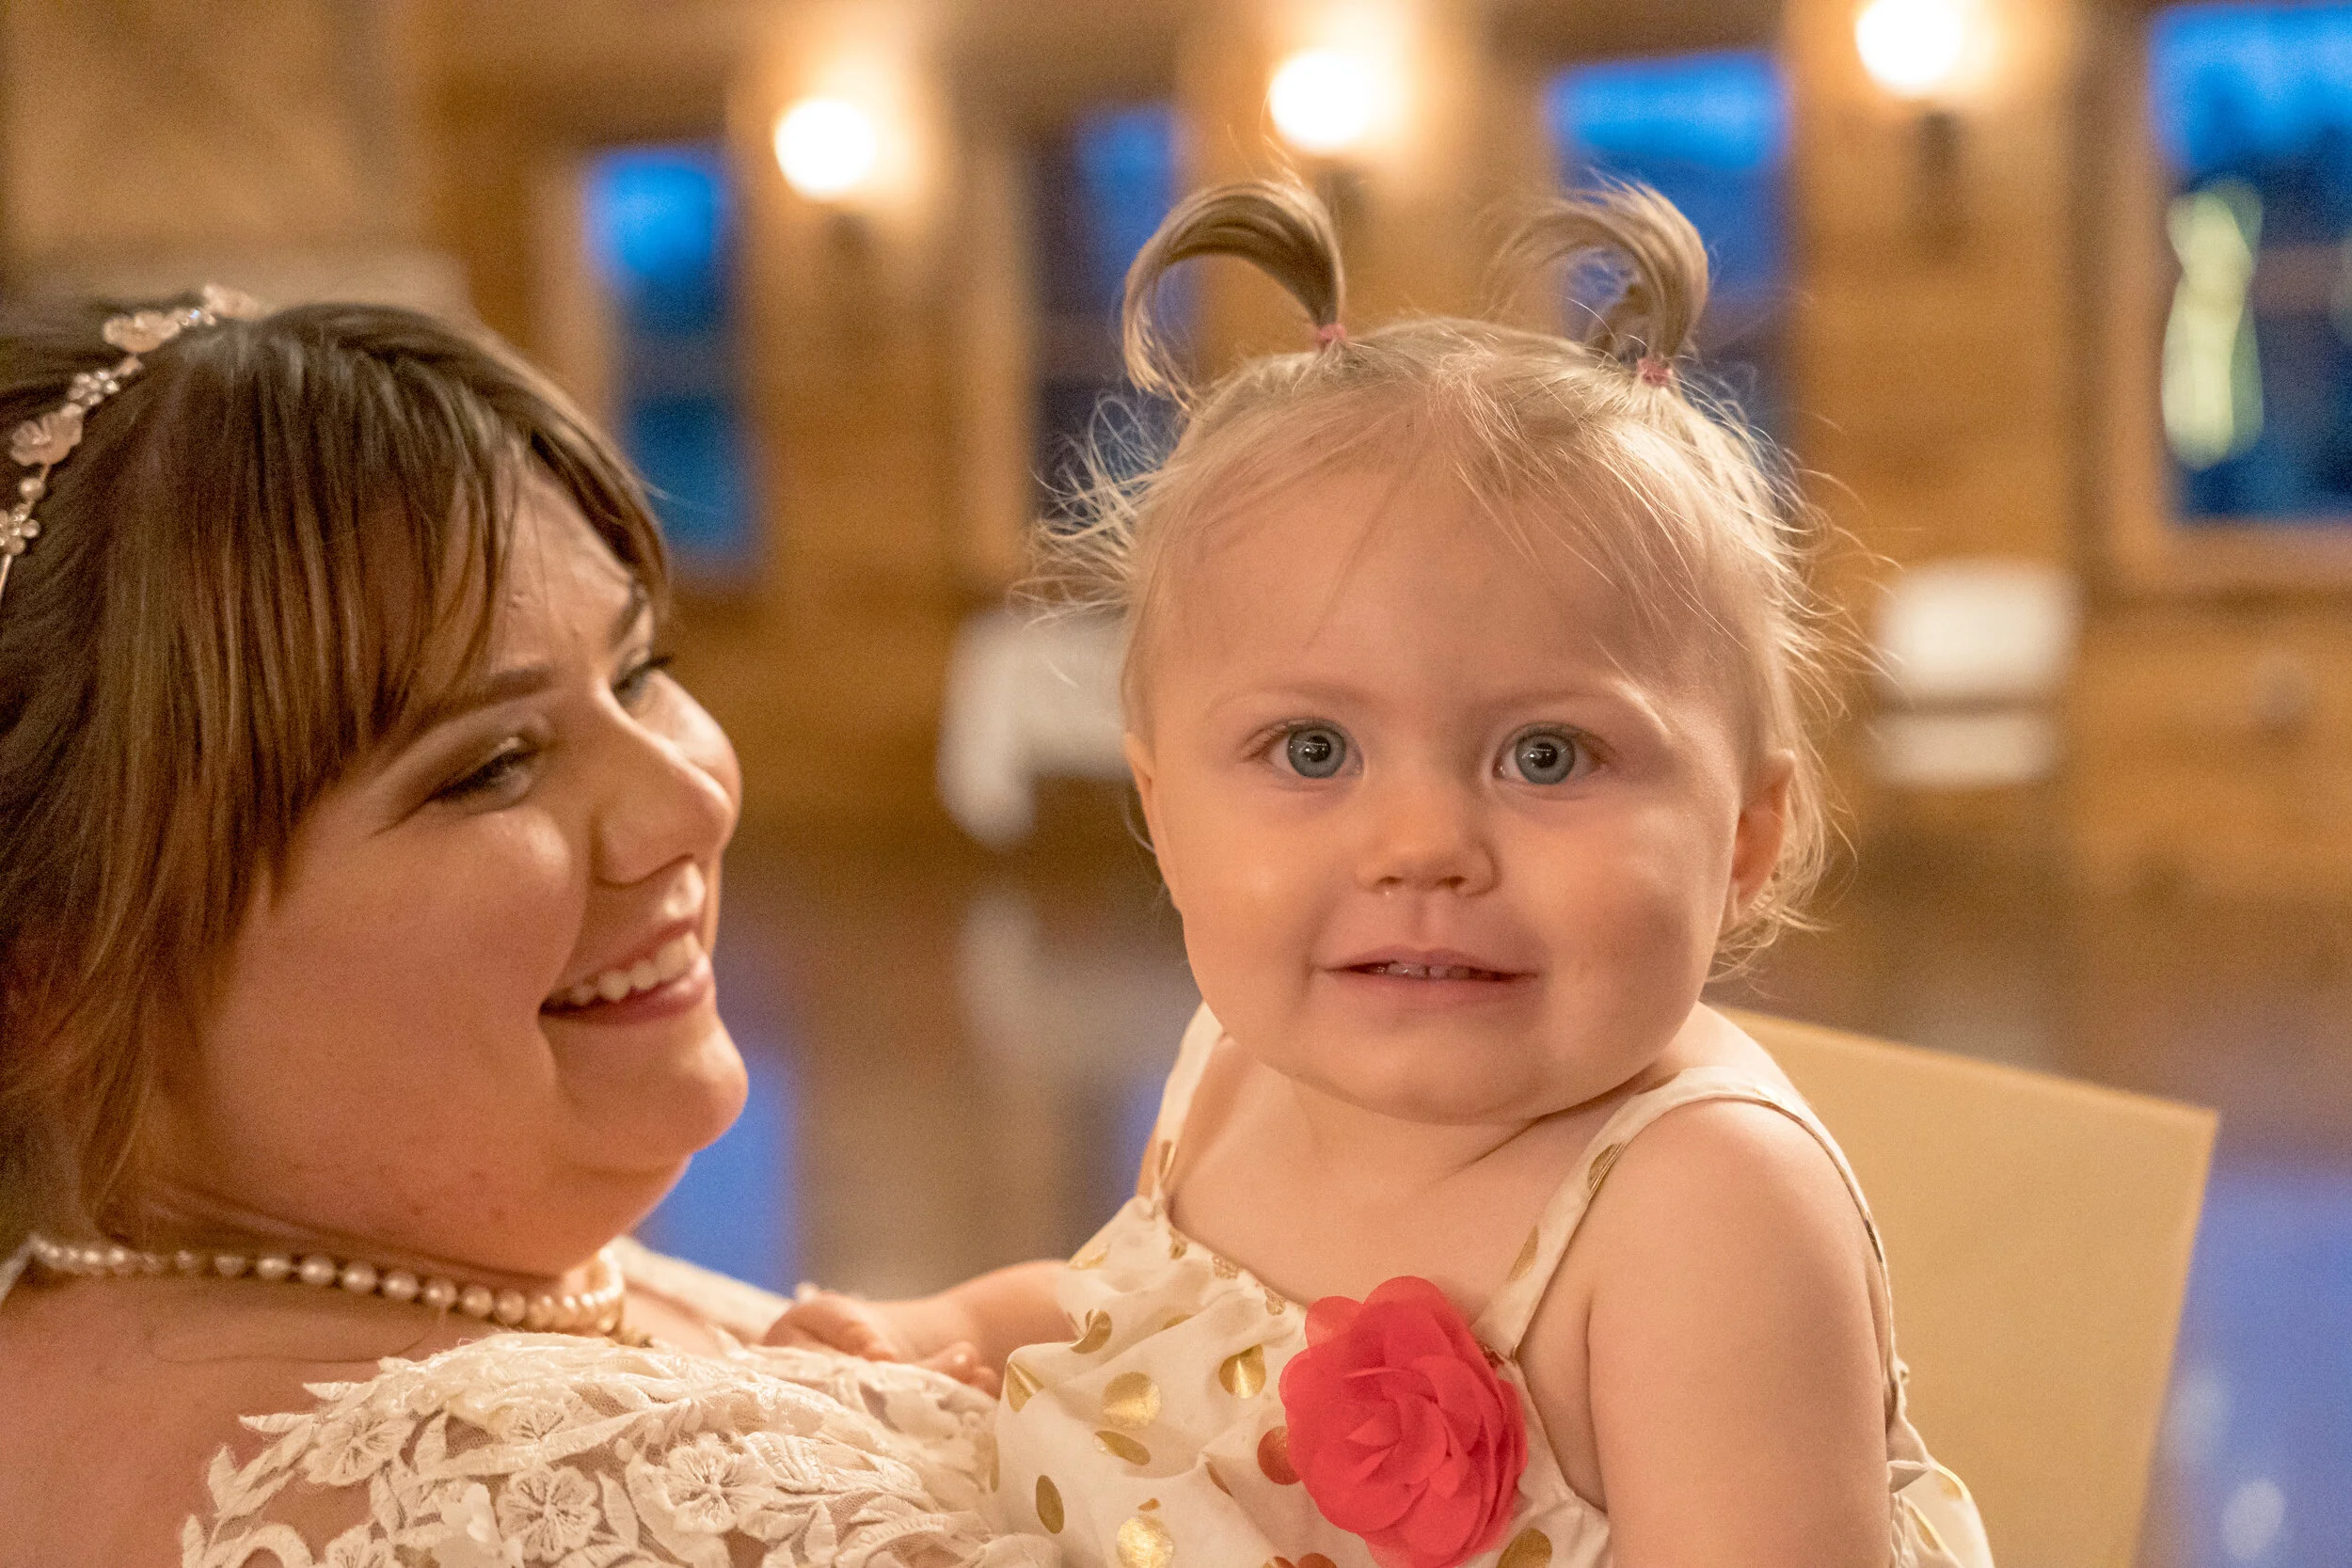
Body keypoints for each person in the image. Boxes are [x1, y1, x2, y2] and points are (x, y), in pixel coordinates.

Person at [769, 183, 1998, 1568]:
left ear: (1744, 843)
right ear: (1164, 815)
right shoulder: (1238, 1060)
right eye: (1312, 747)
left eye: (1546, 754)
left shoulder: (1702, 1213)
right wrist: (963, 1330)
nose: (1421, 844)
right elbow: (1156, 1334)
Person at [0, 291, 1057, 1568]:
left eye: (640, 671)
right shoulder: (567, 1500)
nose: (692, 798)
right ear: (45, 980)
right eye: (493, 764)